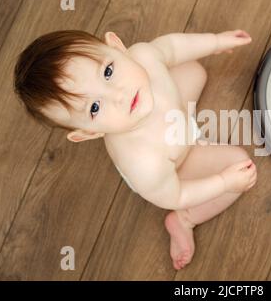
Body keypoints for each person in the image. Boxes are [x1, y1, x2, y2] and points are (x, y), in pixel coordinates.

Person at [14, 29, 257, 270]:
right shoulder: (144, 162)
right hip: (176, 163)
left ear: (118, 46)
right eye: (95, 108)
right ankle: (185, 219)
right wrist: (224, 182)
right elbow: (176, 195)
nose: (119, 95)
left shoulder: (142, 55)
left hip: (175, 118)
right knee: (238, 163)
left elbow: (171, 47)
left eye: (108, 72)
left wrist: (215, 41)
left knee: (192, 68)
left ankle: (183, 119)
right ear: (89, 132)